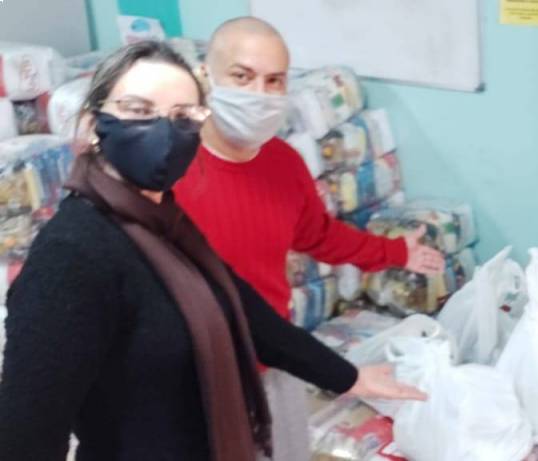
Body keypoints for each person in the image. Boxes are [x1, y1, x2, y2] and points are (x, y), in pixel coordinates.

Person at [0, 41, 424, 461]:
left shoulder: (168, 225)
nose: (165, 132)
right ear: (94, 125)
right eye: (139, 110)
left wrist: (346, 377)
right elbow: (26, 437)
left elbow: (243, 309)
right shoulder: (73, 254)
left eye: (183, 116)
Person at [171, 17, 446, 460]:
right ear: (207, 76)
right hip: (189, 375)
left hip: (272, 360)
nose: (259, 94)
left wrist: (395, 252)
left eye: (274, 81)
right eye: (242, 77)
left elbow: (318, 235)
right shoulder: (167, 168)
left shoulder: (284, 163)